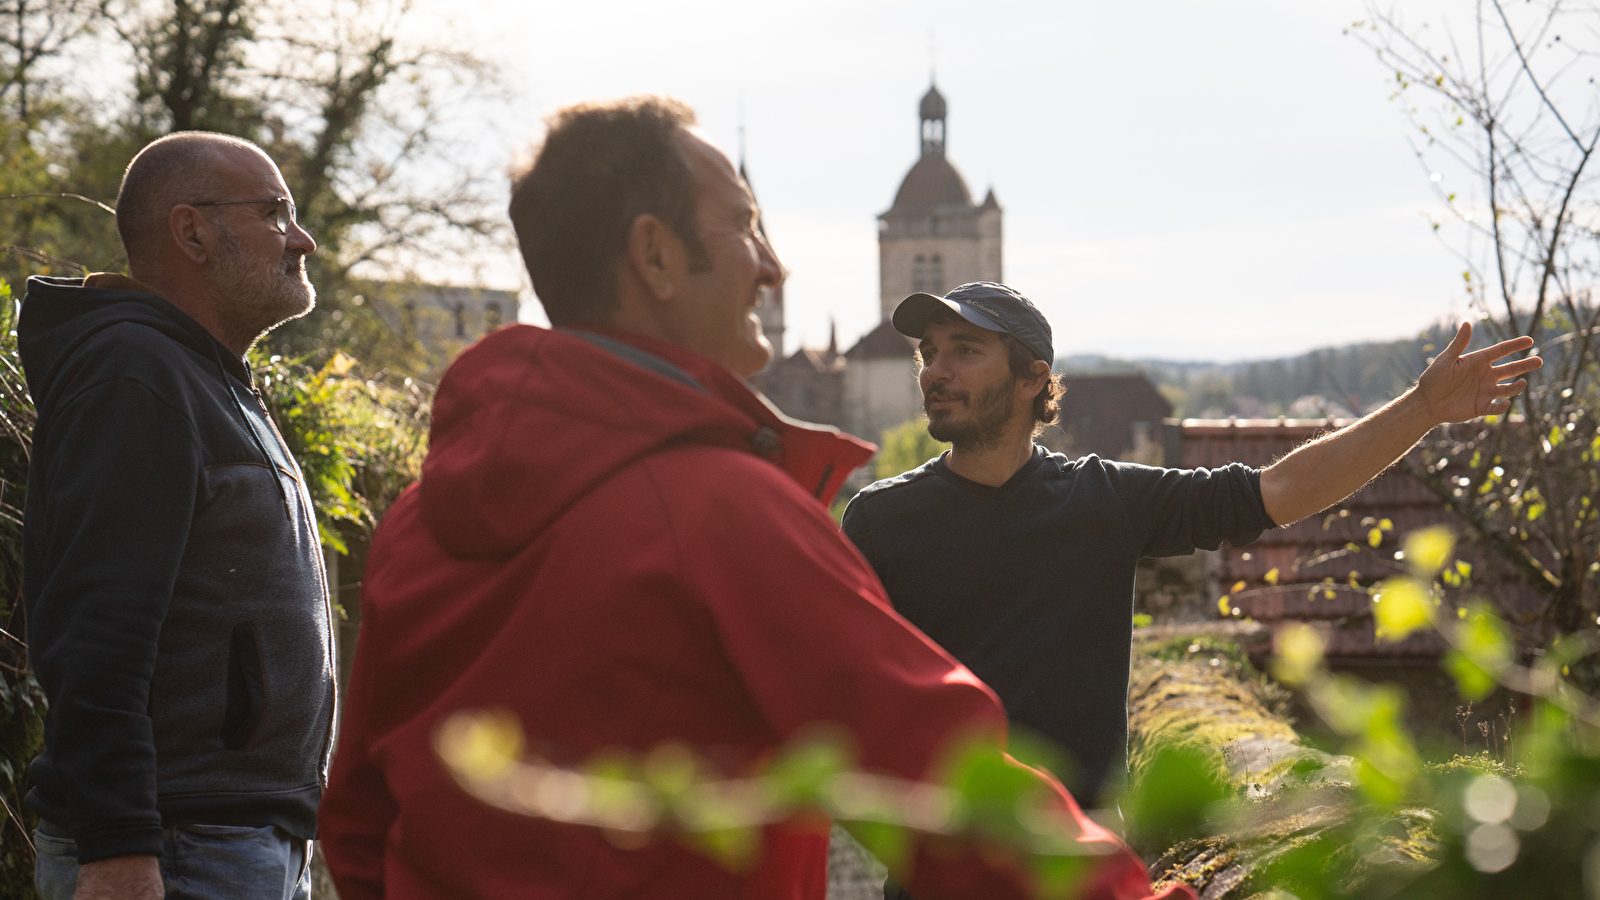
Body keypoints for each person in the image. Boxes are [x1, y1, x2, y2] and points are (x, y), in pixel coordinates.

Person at [317, 97, 1189, 900]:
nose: (773, 266)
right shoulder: (718, 512)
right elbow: (941, 783)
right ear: (655, 257)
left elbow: (358, 822)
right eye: (743, 226)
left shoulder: (417, 520)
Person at [842, 281, 1541, 812]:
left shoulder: (1102, 501)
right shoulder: (879, 520)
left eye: (964, 351)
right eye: (929, 352)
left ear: (1031, 379)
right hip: (940, 860)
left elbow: (1277, 491)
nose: (934, 370)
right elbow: (839, 698)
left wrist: (1423, 408)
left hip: (1079, 864)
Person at [21, 132, 335, 900]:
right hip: (176, 849)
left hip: (227, 845)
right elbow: (96, 631)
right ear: (192, 232)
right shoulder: (135, 374)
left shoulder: (206, 379)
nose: (303, 239)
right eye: (275, 213)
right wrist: (119, 846)